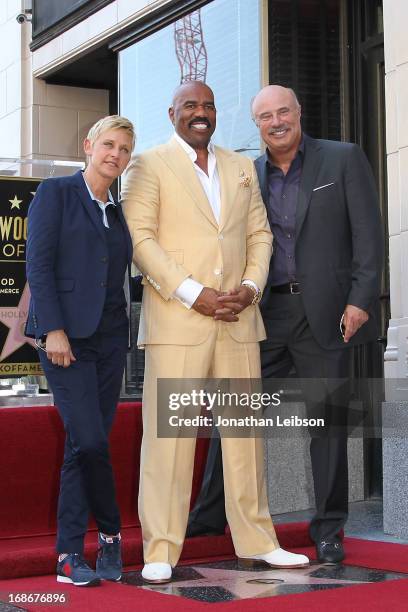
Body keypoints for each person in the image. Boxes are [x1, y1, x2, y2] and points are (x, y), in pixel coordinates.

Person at [121, 80, 309, 585]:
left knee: (246, 438)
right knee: (170, 440)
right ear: (172, 112)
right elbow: (140, 240)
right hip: (180, 321)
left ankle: (259, 540)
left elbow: (259, 234)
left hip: (239, 319)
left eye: (207, 106)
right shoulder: (148, 164)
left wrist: (250, 286)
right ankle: (161, 547)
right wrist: (191, 291)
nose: (200, 114)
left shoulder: (241, 166)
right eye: (190, 106)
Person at [187, 85, 383, 564]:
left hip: (330, 315)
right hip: (263, 314)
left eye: (283, 112)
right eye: (264, 116)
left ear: (298, 113)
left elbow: (369, 236)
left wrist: (361, 300)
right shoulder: (245, 174)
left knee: (329, 424)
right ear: (256, 125)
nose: (276, 122)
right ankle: (210, 516)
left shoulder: (342, 159)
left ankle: (330, 529)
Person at [25, 115, 135, 586]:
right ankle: (110, 532)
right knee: (89, 441)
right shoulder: (58, 194)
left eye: (125, 149)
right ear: (89, 145)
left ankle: (69, 555)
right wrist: (52, 329)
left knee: (82, 446)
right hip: (66, 341)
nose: (115, 155)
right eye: (108, 144)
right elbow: (39, 262)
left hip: (110, 341)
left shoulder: (119, 209)